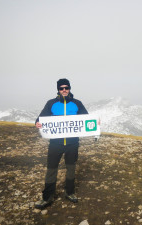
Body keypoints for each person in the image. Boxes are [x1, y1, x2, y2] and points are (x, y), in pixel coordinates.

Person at [34, 78, 88, 209]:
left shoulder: (77, 103)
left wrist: (94, 124)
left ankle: (69, 193)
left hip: (72, 143)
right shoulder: (51, 103)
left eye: (66, 88)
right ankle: (47, 197)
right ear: (58, 89)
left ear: (70, 88)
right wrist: (37, 123)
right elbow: (40, 118)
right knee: (51, 170)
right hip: (55, 144)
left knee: (71, 169)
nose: (64, 90)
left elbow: (86, 119)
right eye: (61, 88)